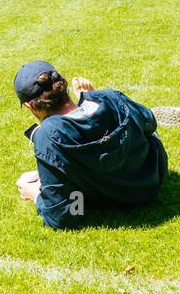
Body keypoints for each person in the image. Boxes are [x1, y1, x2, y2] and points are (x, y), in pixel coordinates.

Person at [12, 61, 168, 230]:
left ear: (29, 105)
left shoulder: (47, 135)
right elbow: (149, 122)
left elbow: (65, 217)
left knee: (60, 171)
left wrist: (35, 193)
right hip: (152, 181)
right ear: (62, 83)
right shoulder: (110, 97)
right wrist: (96, 101)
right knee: (138, 124)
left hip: (113, 199)